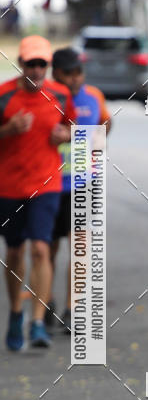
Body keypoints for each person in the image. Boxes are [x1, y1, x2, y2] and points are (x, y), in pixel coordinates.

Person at [0, 35, 75, 349]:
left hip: (47, 184)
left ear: (48, 66)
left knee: (41, 250)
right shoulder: (4, 96)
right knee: (15, 252)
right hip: (9, 186)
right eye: (30, 63)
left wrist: (65, 134)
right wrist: (7, 130)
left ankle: (37, 322)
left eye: (41, 64)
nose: (36, 69)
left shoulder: (59, 94)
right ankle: (16, 313)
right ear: (21, 64)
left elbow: (73, 127)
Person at [47, 47, 112, 333]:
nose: (75, 78)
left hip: (84, 183)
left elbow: (106, 125)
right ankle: (45, 301)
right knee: (46, 248)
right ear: (55, 73)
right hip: (48, 185)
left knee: (80, 247)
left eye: (79, 72)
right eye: (69, 73)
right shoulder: (45, 97)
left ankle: (73, 309)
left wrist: (86, 139)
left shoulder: (94, 96)